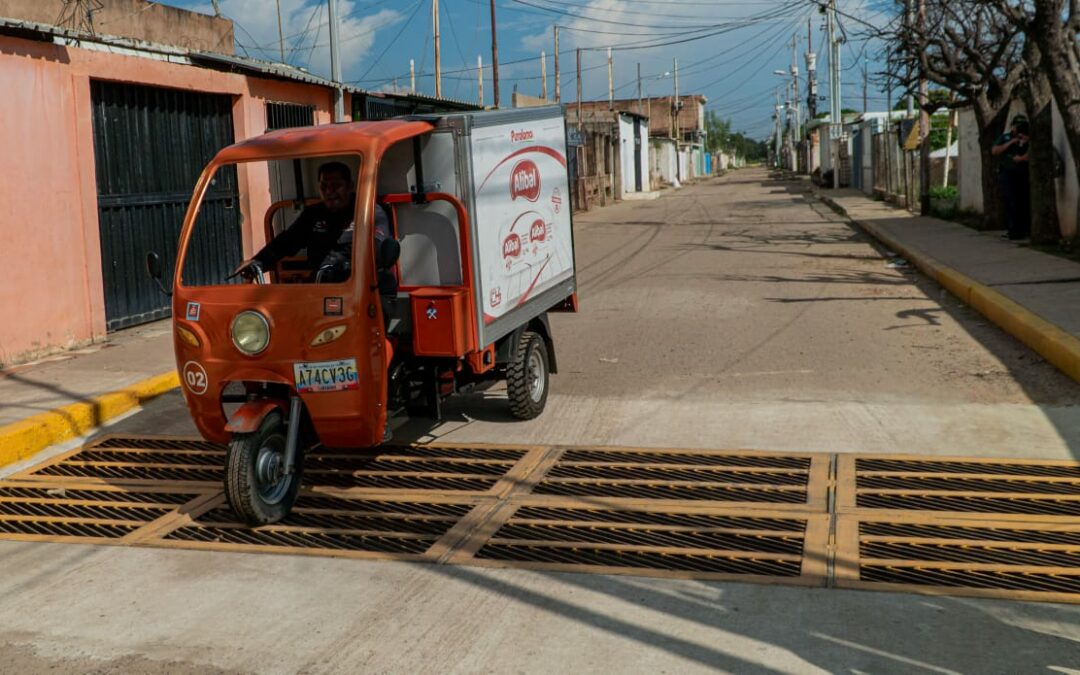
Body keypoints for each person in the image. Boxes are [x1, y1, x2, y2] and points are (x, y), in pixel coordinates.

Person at [238, 161, 390, 281]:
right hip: (321, 285)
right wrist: (259, 261)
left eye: (336, 186)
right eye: (324, 186)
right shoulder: (313, 213)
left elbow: (378, 248)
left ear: (350, 186)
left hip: (364, 285)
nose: (329, 192)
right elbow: (286, 241)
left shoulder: (369, 211)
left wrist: (343, 265)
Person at [992, 115, 1031, 241]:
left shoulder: (1028, 137)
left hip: (1024, 173)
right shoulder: (1006, 137)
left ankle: (1025, 230)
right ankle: (1013, 230)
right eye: (1016, 126)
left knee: (1024, 201)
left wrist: (1025, 142)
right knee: (1011, 201)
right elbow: (995, 150)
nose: (1018, 129)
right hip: (1008, 173)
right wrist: (1011, 143)